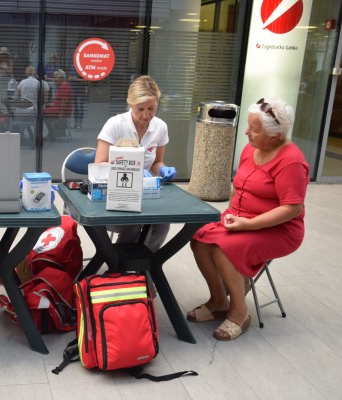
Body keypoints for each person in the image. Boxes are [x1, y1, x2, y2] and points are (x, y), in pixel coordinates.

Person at [187, 97, 309, 341]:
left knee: (224, 249)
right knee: (199, 238)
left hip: (279, 229)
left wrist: (249, 224)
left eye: (254, 129)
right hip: (243, 219)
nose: (247, 133)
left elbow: (292, 209)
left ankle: (240, 313)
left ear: (276, 135)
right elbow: (239, 188)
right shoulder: (252, 148)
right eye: (249, 126)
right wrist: (232, 215)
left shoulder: (291, 161)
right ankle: (219, 300)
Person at [94, 75, 177, 250]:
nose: (146, 115)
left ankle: (145, 264)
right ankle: (117, 267)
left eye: (151, 108)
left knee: (162, 225)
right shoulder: (115, 124)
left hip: (144, 194)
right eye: (140, 109)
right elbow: (99, 164)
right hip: (115, 193)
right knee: (131, 225)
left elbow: (157, 162)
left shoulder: (160, 127)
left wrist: (163, 169)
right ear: (130, 104)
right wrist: (134, 170)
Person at [44, 69, 72, 140]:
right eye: (54, 77)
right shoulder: (62, 86)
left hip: (61, 110)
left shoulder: (64, 87)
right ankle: (52, 133)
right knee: (45, 112)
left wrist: (60, 115)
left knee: (43, 113)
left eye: (56, 77)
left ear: (62, 78)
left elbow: (64, 102)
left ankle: (51, 134)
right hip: (58, 108)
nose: (54, 79)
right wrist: (51, 104)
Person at [0, 47, 14, 117]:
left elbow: (11, 72)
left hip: (7, 80)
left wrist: (3, 68)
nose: (2, 55)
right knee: (0, 96)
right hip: (1, 80)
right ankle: (2, 113)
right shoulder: (0, 61)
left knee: (7, 96)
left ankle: (8, 113)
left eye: (4, 54)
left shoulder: (9, 61)